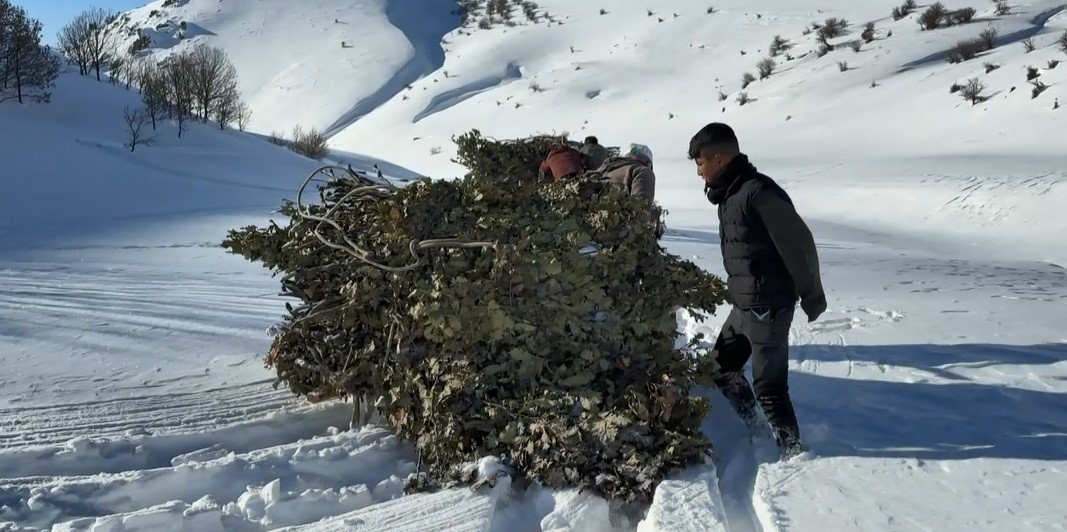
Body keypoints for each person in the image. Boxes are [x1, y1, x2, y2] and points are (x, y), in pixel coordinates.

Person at [687, 122, 826, 458]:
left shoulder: (758, 193)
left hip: (768, 306)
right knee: (720, 367)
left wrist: (812, 295)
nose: (698, 172)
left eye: (700, 164)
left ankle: (793, 453)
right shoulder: (731, 194)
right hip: (745, 305)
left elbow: (799, 245)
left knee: (770, 386)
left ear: (719, 159)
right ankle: (756, 427)